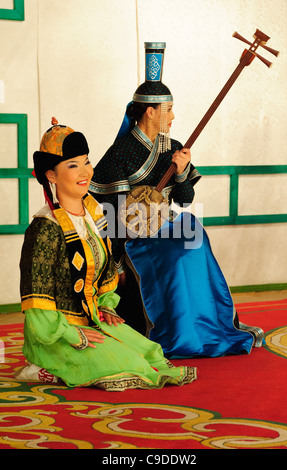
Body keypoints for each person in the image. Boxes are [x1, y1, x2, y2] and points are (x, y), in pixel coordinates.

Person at [89, 42, 264, 359]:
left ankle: (212, 326)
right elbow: (111, 210)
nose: (174, 117)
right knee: (178, 257)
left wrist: (181, 173)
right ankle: (178, 332)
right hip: (135, 234)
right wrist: (114, 263)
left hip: (169, 225)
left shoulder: (175, 147)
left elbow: (184, 200)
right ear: (151, 111)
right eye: (169, 110)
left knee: (194, 240)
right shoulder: (122, 153)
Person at [15, 118, 197, 391]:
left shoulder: (96, 214)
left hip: (93, 317)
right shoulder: (44, 228)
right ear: (51, 175)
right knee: (127, 364)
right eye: (72, 165)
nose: (84, 172)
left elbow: (106, 267)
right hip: (56, 332)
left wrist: (106, 305)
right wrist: (70, 333)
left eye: (86, 162)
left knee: (149, 353)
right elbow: (36, 302)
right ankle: (44, 366)